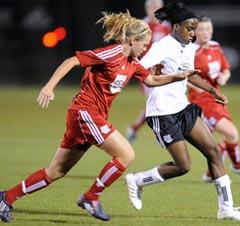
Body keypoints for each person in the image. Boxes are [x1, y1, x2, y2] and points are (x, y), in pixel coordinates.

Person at [0, 11, 199, 223]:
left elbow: (150, 80)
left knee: (55, 171)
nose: (145, 49)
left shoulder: (133, 63)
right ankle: (90, 198)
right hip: (85, 112)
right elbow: (71, 61)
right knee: (126, 154)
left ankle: (6, 198)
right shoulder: (112, 54)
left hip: (88, 117)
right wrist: (49, 86)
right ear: (132, 40)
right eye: (144, 44)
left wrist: (178, 76)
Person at [124, 2, 240, 221]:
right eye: (189, 28)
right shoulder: (163, 46)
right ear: (175, 27)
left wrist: (212, 91)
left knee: (213, 151)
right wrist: (161, 76)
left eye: (194, 29)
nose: (192, 33)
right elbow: (139, 68)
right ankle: (137, 180)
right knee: (183, 166)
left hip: (182, 108)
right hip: (162, 113)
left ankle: (226, 208)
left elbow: (189, 74)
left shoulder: (187, 47)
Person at [188, 16, 240, 182]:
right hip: (201, 101)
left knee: (225, 138)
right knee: (231, 133)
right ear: (195, 31)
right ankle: (238, 167)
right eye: (201, 29)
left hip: (217, 99)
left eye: (208, 29)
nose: (205, 33)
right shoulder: (189, 51)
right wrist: (200, 87)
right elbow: (185, 77)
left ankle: (211, 174)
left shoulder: (215, 47)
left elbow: (226, 69)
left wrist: (223, 78)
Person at [127, 0, 172, 143]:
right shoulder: (140, 26)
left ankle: (135, 128)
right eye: (151, 7)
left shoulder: (166, 26)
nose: (154, 10)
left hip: (162, 71)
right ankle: (161, 133)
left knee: (158, 102)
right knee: (156, 102)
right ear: (146, 9)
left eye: (157, 7)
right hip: (145, 70)